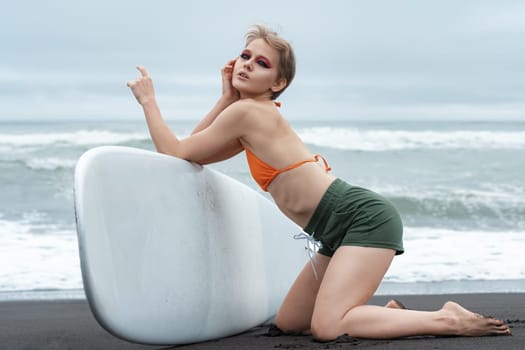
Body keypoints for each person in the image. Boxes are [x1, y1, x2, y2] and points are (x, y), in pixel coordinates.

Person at [127, 24, 511, 340]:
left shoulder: (249, 114)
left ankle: (447, 319)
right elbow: (190, 152)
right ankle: (387, 316)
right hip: (333, 230)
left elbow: (175, 151)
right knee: (293, 322)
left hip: (361, 218)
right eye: (244, 57)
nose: (246, 65)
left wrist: (149, 102)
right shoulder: (245, 114)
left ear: (278, 84)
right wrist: (224, 97)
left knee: (328, 328)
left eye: (261, 63)